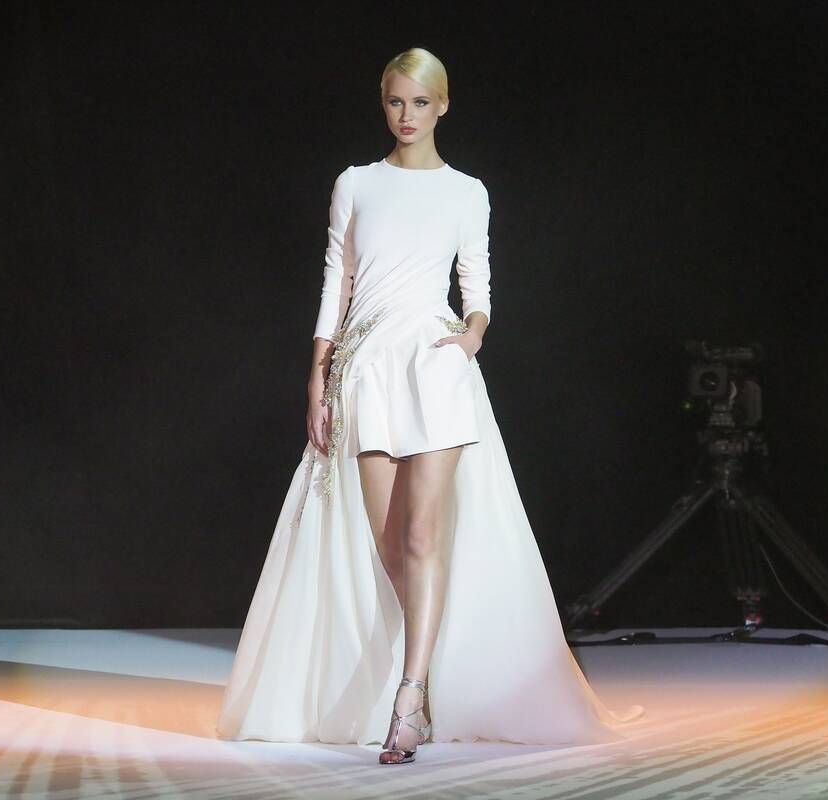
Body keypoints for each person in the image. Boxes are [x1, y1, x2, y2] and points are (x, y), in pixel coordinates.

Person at [215, 46, 645, 764]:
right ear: (382, 103)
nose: (406, 115)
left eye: (420, 102)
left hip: (434, 366)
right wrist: (318, 375)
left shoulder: (467, 192)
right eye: (395, 101)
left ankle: (410, 697)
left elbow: (478, 284)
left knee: (421, 537)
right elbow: (336, 280)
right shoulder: (356, 183)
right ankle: (432, 669)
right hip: (365, 368)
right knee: (389, 542)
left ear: (443, 105)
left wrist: (471, 338)